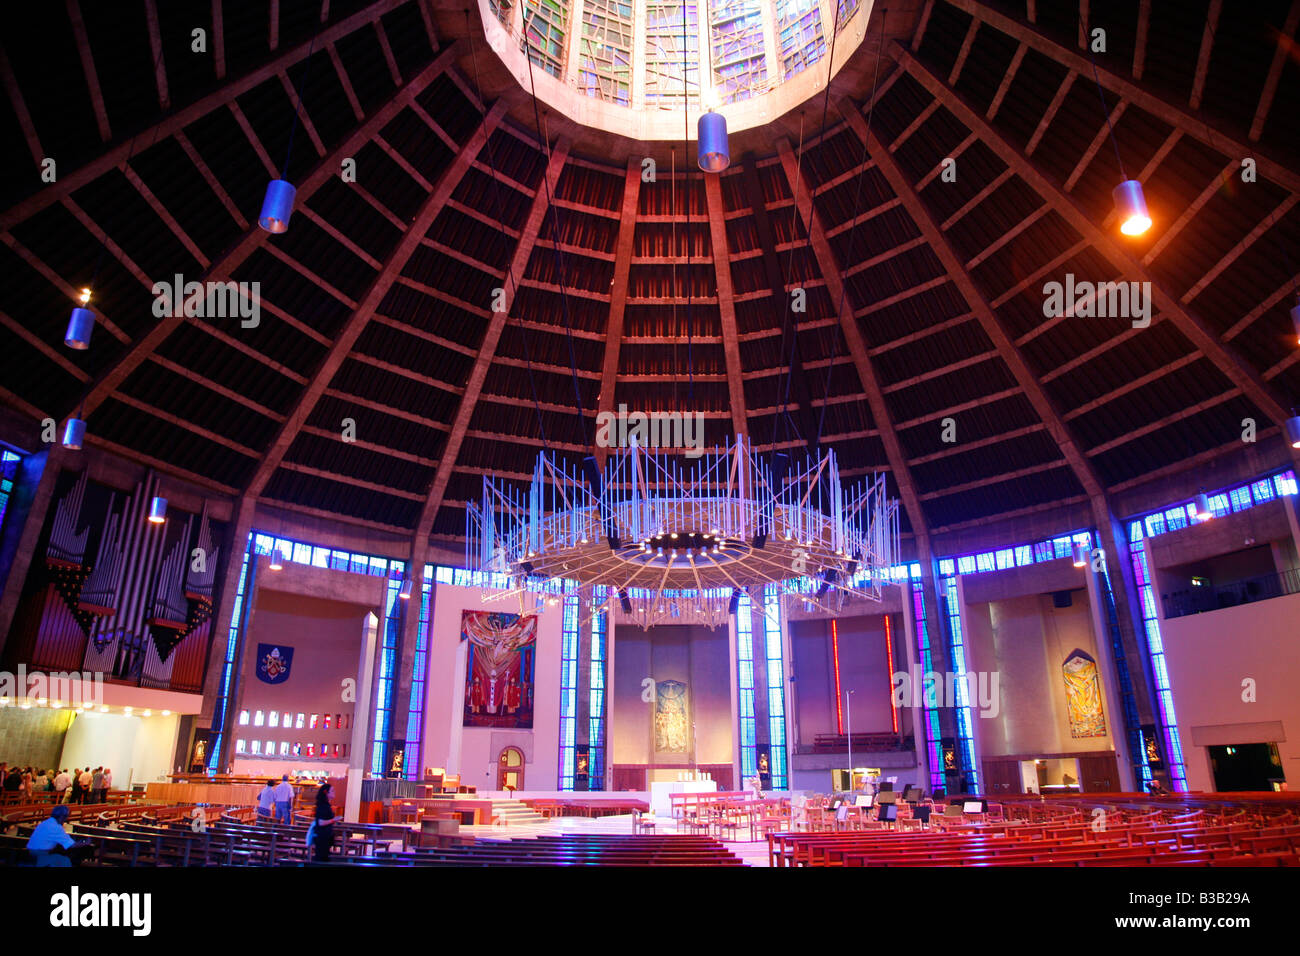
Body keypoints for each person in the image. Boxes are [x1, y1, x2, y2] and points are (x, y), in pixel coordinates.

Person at [311, 783, 336, 862]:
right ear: (326, 793)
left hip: (325, 836)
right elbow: (321, 822)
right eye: (332, 791)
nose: (334, 792)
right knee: (321, 859)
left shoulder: (326, 805)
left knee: (323, 857)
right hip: (322, 837)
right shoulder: (323, 806)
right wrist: (334, 820)